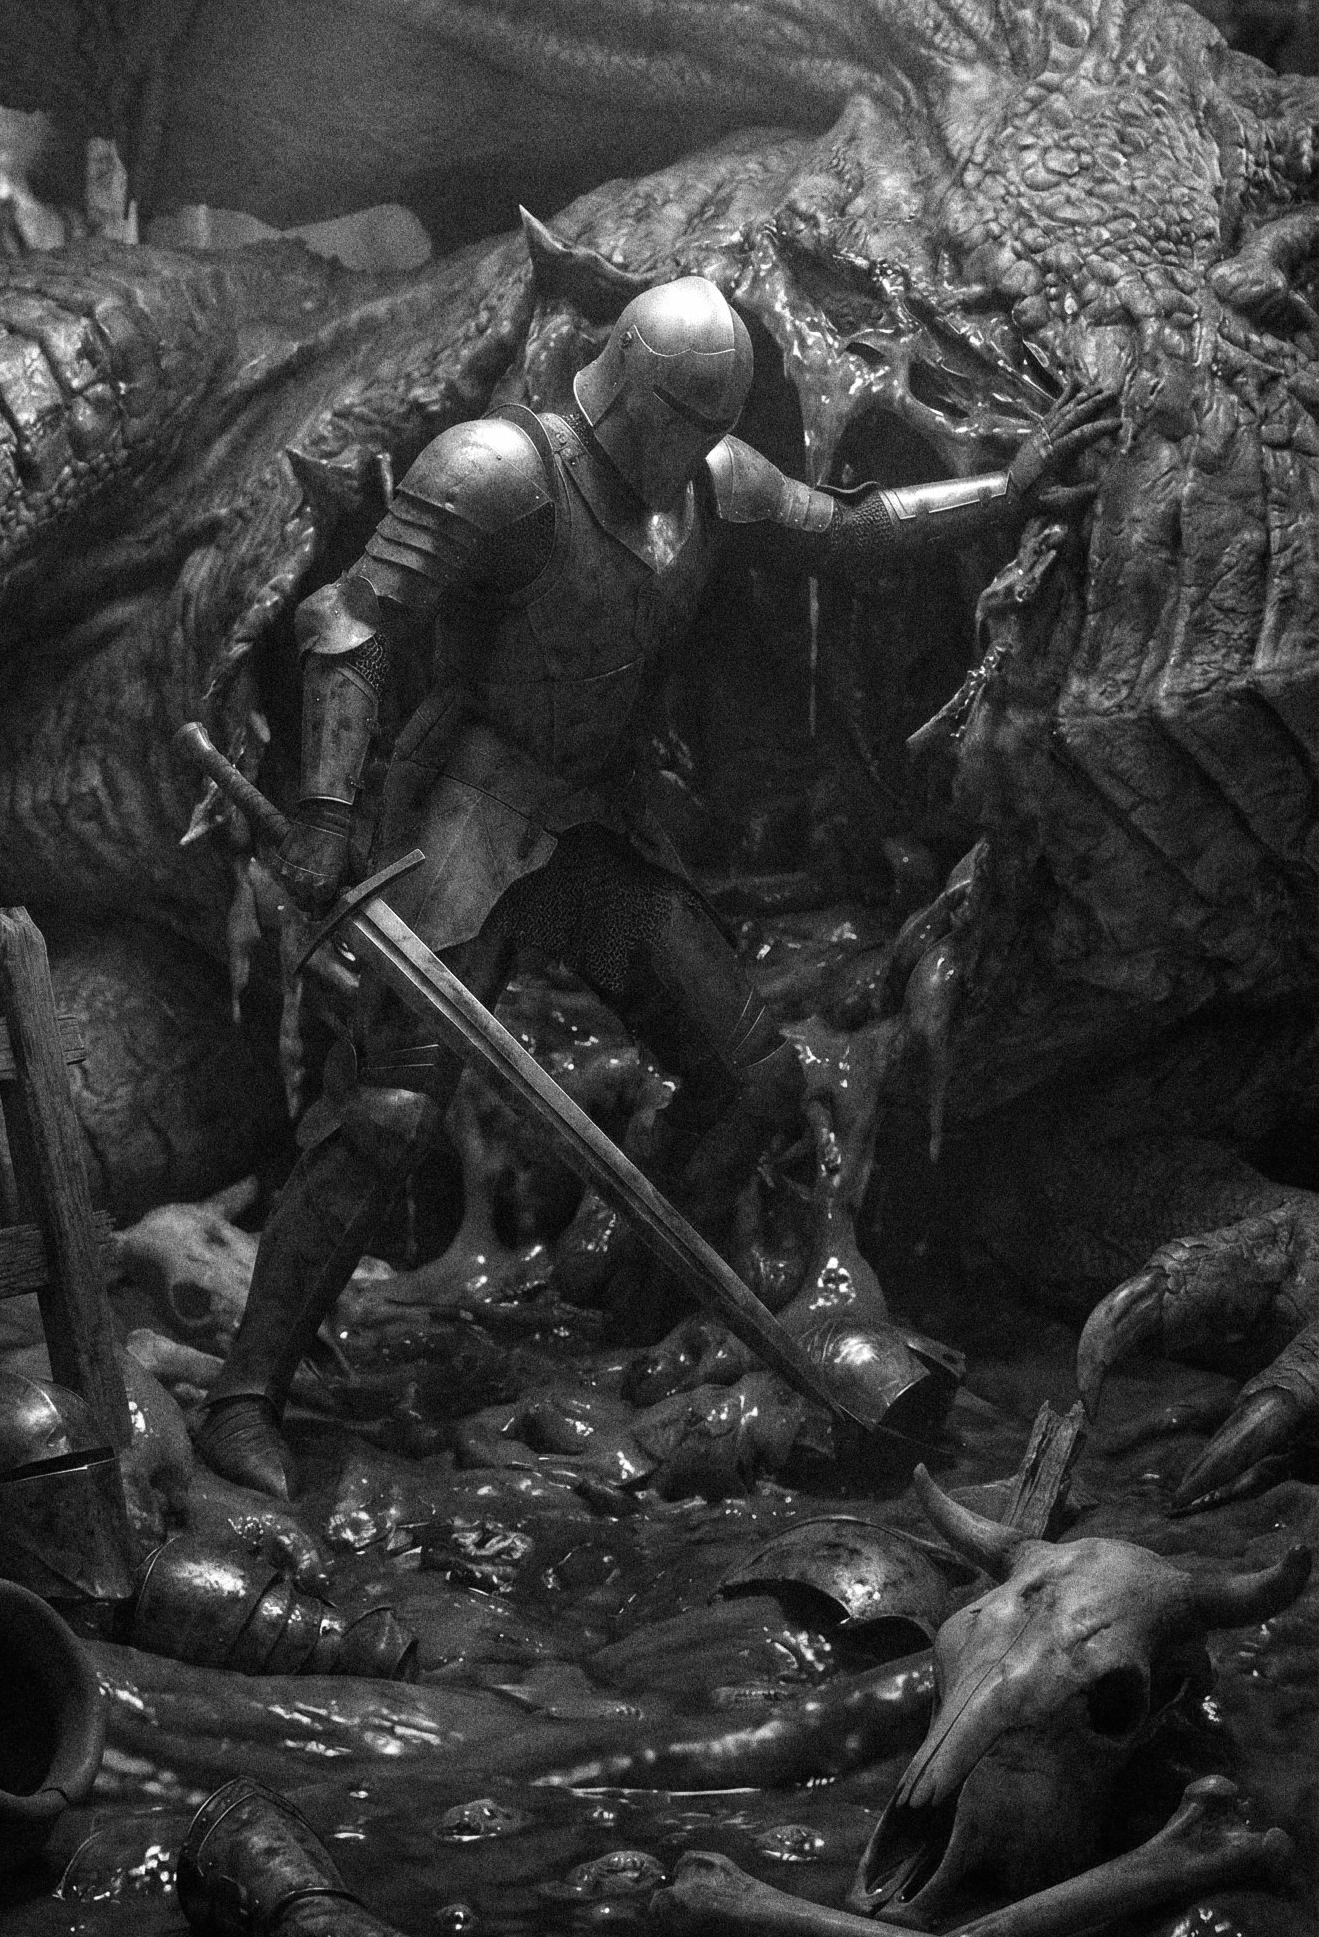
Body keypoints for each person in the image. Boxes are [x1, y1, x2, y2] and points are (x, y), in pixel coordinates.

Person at [199, 271, 1113, 1497]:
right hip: (469, 806)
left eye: (706, 428)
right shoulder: (496, 471)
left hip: (599, 819)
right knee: (391, 1113)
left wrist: (1003, 492)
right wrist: (323, 813)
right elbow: (348, 624)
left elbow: (847, 526)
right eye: (678, 421)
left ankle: (617, 1301)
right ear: (628, 386)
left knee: (752, 1076)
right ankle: (244, 1395)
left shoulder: (710, 482)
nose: (688, 449)